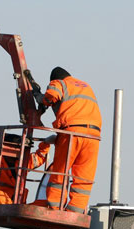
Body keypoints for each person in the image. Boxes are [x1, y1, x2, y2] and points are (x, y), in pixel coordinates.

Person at [34, 66, 101, 214]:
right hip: (93, 136)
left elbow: (51, 95)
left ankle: (54, 207)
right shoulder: (84, 86)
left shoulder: (59, 83)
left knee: (60, 171)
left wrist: (40, 98)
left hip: (72, 132)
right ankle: (75, 211)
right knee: (83, 176)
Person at [0, 131, 52, 204]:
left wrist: (46, 143)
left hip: (18, 201)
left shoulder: (22, 163)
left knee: (44, 203)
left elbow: (39, 157)